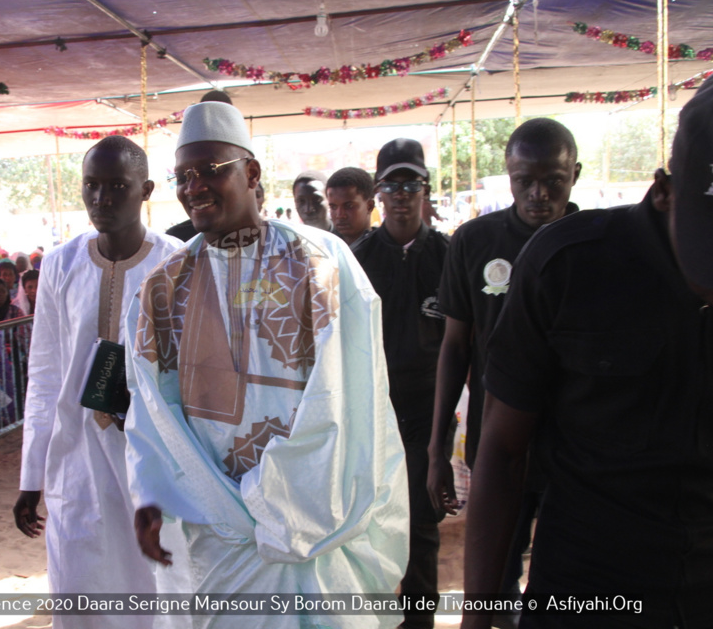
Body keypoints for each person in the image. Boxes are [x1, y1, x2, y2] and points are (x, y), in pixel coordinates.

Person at [463, 71, 713, 629]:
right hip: (585, 589)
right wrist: (479, 618)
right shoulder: (566, 266)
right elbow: (503, 451)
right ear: (665, 191)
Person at [124, 101, 409, 629]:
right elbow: (150, 401)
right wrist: (150, 489)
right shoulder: (164, 285)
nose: (194, 187)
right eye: (183, 176)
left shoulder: (319, 262)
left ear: (251, 173)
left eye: (210, 170)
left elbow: (347, 396)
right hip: (218, 528)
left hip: (315, 517)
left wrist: (271, 499)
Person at [13, 135, 184, 629]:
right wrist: (31, 476)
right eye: (91, 185)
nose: (101, 198)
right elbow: (46, 374)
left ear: (145, 190)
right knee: (80, 590)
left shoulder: (176, 262)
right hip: (76, 461)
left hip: (152, 462)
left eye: (117, 186)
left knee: (156, 590)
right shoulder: (60, 264)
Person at [428, 118, 581, 619]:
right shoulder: (474, 241)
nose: (539, 194)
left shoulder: (594, 245)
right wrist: (436, 449)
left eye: (553, 180)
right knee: (492, 588)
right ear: (509, 176)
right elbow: (455, 347)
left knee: (569, 588)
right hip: (498, 446)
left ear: (574, 175)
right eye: (524, 181)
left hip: (577, 449)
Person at [351, 139, 448, 629]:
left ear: (426, 190)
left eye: (412, 186)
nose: (402, 197)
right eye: (392, 187)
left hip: (431, 412)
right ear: (378, 193)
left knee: (423, 526)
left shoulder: (449, 255)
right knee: (366, 523)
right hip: (373, 412)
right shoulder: (359, 258)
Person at [327, 166, 375, 246]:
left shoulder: (387, 248)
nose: (340, 215)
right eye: (333, 207)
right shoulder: (324, 247)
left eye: (349, 206)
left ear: (369, 206)